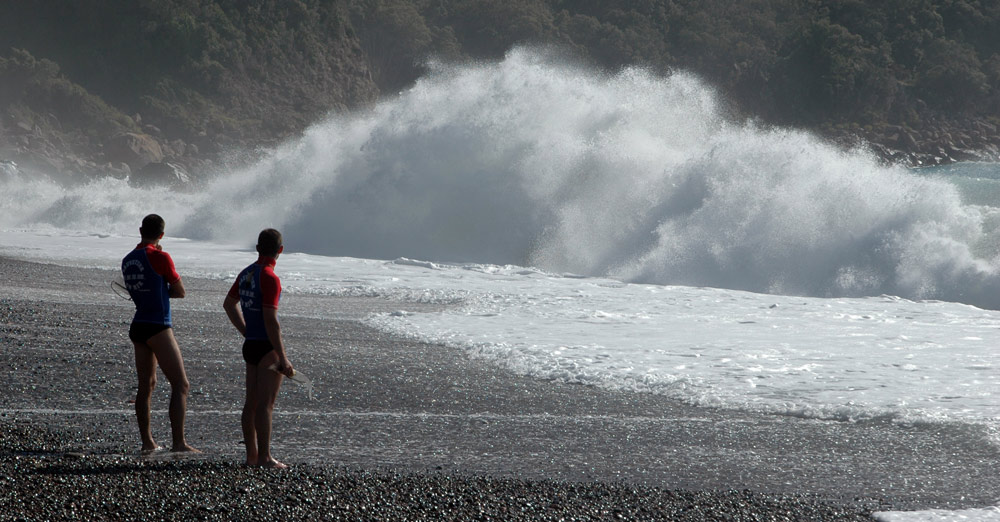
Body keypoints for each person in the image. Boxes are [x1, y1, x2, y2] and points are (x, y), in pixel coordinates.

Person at [122, 214, 199, 454]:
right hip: (158, 325)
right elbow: (180, 291)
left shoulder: (127, 259)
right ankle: (179, 442)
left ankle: (147, 442)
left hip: (139, 325)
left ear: (140, 230)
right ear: (162, 235)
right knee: (181, 384)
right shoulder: (161, 256)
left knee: (146, 386)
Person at [223, 228, 294, 468]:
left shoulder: (246, 273)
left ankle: (251, 456)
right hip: (266, 347)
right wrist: (283, 357)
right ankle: (265, 457)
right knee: (266, 404)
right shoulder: (270, 277)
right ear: (280, 251)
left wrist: (245, 331)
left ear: (257, 248)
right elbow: (271, 321)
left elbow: (229, 304)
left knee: (250, 403)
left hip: (251, 344)